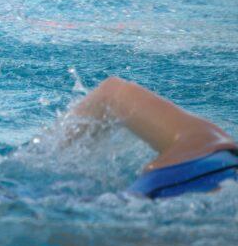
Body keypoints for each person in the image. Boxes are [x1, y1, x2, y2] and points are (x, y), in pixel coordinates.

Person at [66, 76, 237, 199]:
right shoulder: (204, 140)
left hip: (211, 160)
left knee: (112, 93)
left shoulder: (207, 140)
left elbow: (112, 93)